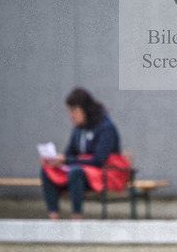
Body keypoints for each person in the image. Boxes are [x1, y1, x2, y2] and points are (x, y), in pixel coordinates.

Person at [40, 88, 122, 219]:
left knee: (75, 172)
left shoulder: (106, 128)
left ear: (86, 110)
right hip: (80, 174)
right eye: (69, 111)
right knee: (47, 170)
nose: (71, 115)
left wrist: (67, 160)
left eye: (74, 111)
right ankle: (53, 217)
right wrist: (55, 160)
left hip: (104, 175)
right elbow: (69, 154)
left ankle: (77, 218)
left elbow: (98, 161)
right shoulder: (78, 130)